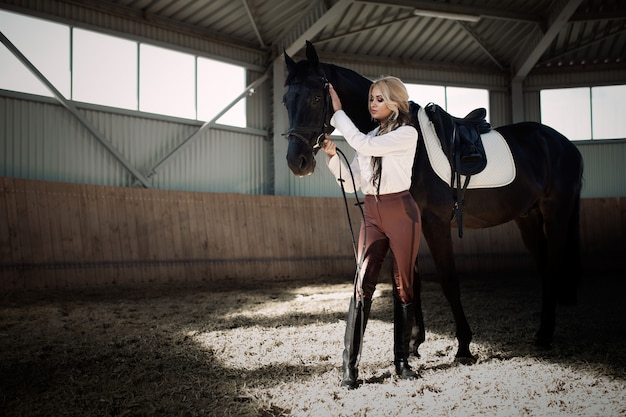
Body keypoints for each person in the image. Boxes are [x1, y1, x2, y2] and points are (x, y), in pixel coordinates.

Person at [321, 76, 421, 389]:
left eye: (379, 98)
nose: (372, 104)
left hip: (402, 211)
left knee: (404, 286)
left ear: (396, 102)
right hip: (372, 212)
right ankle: (349, 367)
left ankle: (402, 361)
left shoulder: (407, 134)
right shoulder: (368, 137)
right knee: (362, 283)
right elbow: (351, 182)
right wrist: (333, 155)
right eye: (371, 99)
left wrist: (338, 114)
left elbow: (364, 145)